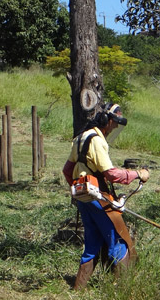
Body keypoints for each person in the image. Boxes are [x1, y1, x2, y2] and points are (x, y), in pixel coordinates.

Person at [62, 103, 150, 290]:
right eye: (114, 123)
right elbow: (112, 174)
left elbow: (68, 171)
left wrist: (78, 189)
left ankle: (79, 289)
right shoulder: (96, 140)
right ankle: (123, 291)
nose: (115, 128)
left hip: (84, 198)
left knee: (92, 243)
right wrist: (137, 174)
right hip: (98, 195)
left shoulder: (80, 138)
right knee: (118, 239)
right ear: (107, 120)